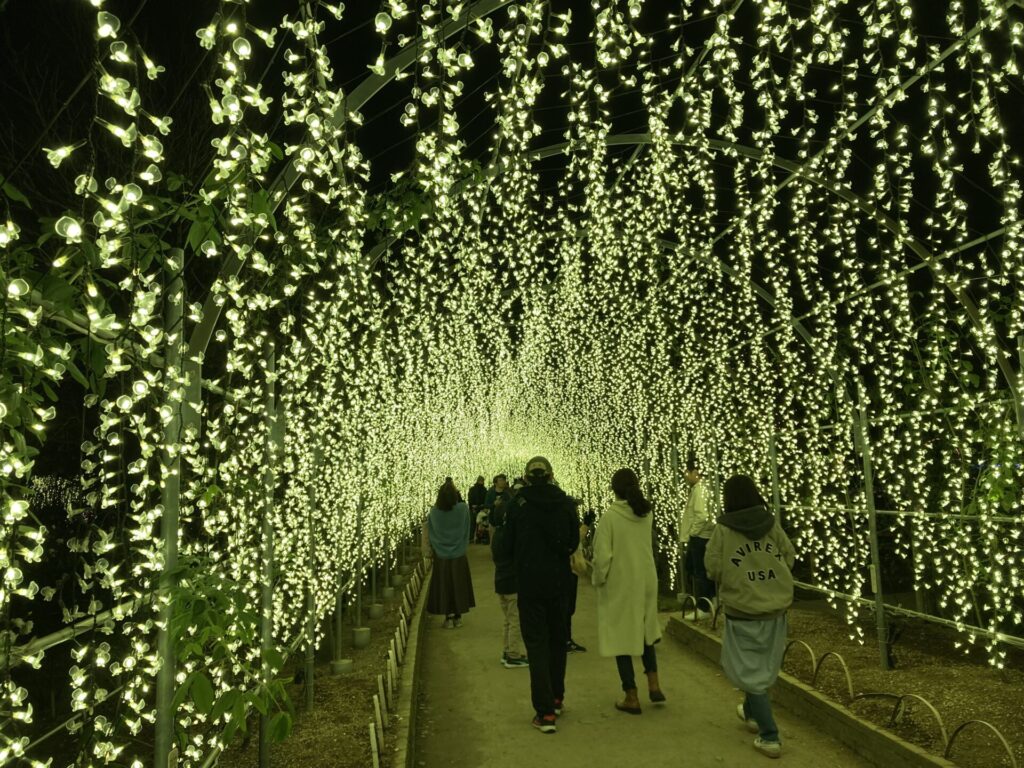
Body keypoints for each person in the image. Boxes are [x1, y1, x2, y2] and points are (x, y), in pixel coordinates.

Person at [704, 474, 795, 760]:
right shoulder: (771, 523)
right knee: (761, 665)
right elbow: (789, 556)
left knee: (749, 669)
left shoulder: (723, 529)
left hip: (742, 609)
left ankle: (770, 736)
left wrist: (738, 579)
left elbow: (713, 566)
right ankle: (752, 712)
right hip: (775, 607)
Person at [494, 456, 579, 734]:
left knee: (537, 645)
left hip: (529, 584)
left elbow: (505, 547)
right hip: (559, 583)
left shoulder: (518, 506)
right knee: (557, 640)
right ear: (551, 475)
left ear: (527, 477)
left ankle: (544, 713)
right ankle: (556, 698)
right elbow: (572, 542)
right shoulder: (566, 504)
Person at [592, 468, 664, 715]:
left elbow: (603, 558)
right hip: (646, 579)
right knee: (645, 632)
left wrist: (597, 579)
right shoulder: (646, 512)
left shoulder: (610, 518)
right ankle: (654, 684)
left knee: (621, 637)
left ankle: (631, 695)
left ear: (614, 489)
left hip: (622, 583)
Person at [426, 478, 476, 628]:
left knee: (444, 585)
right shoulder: (462, 509)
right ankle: (458, 617)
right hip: (459, 554)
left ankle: (448, 617)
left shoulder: (434, 513)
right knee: (459, 584)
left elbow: (431, 533)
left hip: (441, 555)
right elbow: (467, 528)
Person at [490, 486, 529, 669]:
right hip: (512, 582)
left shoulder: (496, 535)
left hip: (500, 582)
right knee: (515, 620)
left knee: (507, 619)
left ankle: (506, 651)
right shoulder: (510, 536)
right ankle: (513, 654)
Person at [681, 458, 716, 618]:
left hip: (701, 537)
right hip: (704, 536)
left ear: (695, 472)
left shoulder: (700, 490)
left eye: (687, 473)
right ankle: (712, 602)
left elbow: (701, 515)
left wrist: (693, 533)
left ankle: (703, 608)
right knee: (703, 571)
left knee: (699, 572)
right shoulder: (703, 488)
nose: (685, 476)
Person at [468, 475, 487, 539]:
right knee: (478, 523)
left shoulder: (472, 489)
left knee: (473, 524)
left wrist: (472, 505)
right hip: (479, 508)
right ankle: (478, 537)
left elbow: (470, 499)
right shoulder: (484, 490)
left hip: (475, 508)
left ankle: (471, 537)